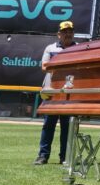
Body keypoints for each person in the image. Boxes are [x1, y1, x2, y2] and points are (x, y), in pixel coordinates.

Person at [33, 20, 76, 165]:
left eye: (70, 32)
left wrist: (57, 65)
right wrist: (66, 66)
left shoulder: (79, 48)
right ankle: (43, 156)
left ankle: (65, 157)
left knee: (67, 127)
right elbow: (44, 67)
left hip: (69, 93)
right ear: (59, 34)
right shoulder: (50, 48)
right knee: (48, 125)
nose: (68, 34)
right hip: (52, 91)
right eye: (64, 32)